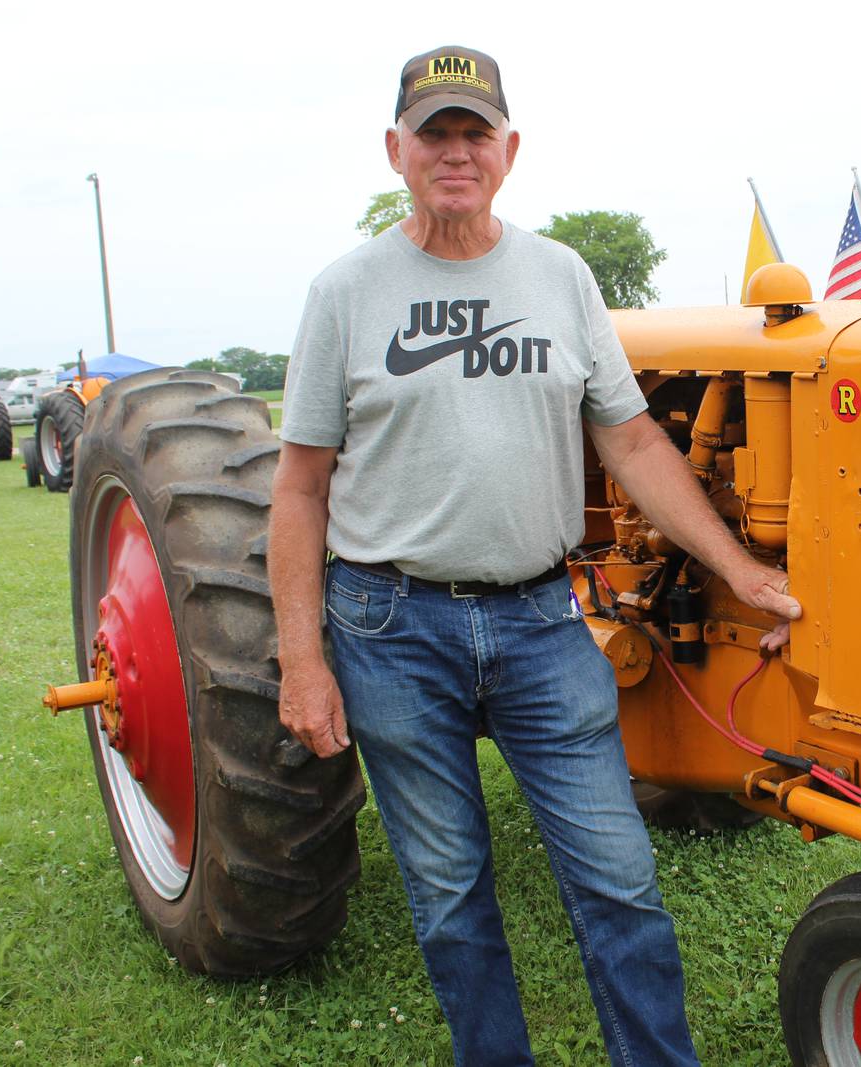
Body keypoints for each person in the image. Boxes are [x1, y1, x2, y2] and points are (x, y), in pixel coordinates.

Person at [268, 45, 801, 1067]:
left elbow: (636, 440)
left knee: (617, 878)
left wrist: (733, 564)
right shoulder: (346, 292)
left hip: (540, 619)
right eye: (435, 133)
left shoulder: (559, 276)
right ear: (396, 150)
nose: (456, 152)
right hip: (390, 625)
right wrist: (303, 657)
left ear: (509, 150)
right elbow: (298, 486)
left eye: (476, 132)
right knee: (450, 891)